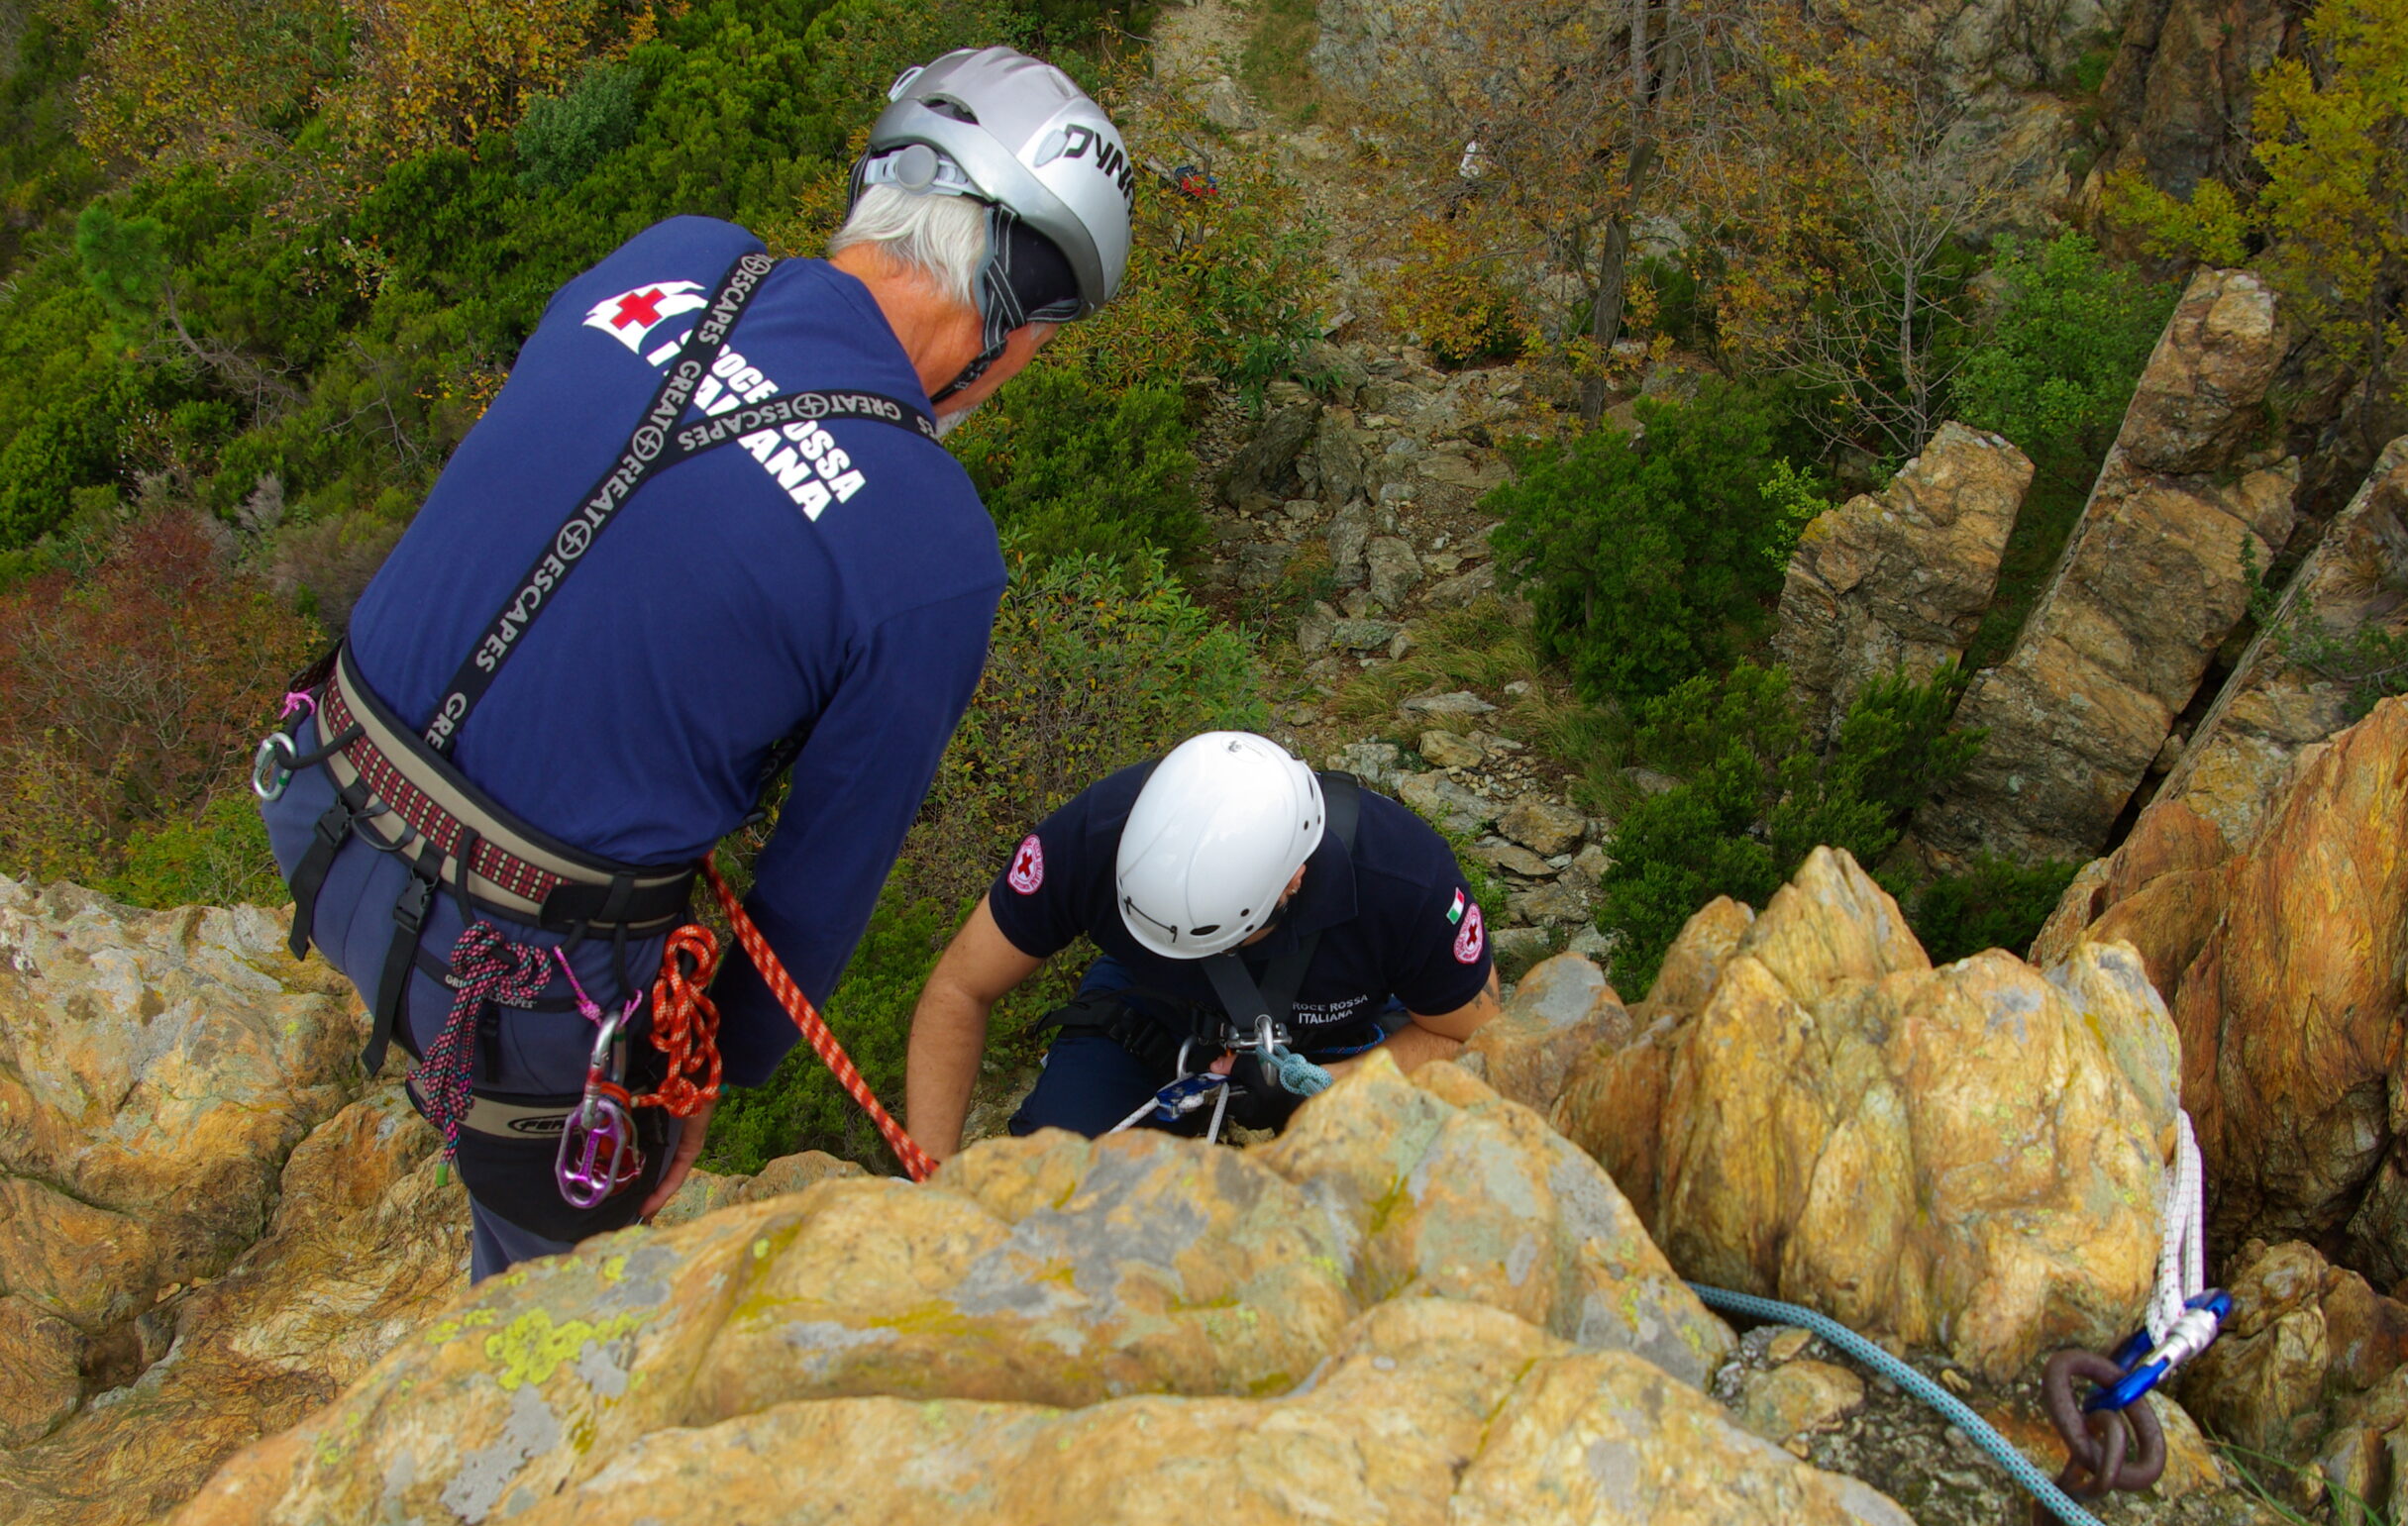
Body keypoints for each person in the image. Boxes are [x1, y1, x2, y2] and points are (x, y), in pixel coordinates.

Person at [253, 47, 1134, 1280]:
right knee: (549, 1304)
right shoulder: (933, 544)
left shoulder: (674, 255)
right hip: (521, 964)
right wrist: (686, 1089)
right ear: (1008, 308)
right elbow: (811, 906)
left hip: (316, 794)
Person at [904, 732, 1503, 1154]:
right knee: (1057, 1194)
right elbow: (961, 987)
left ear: (1293, 880)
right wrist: (928, 1182)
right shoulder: (1094, 838)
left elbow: (1475, 1036)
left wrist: (1331, 1087)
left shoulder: (1402, 880)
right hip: (1150, 1009)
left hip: (1335, 1041)